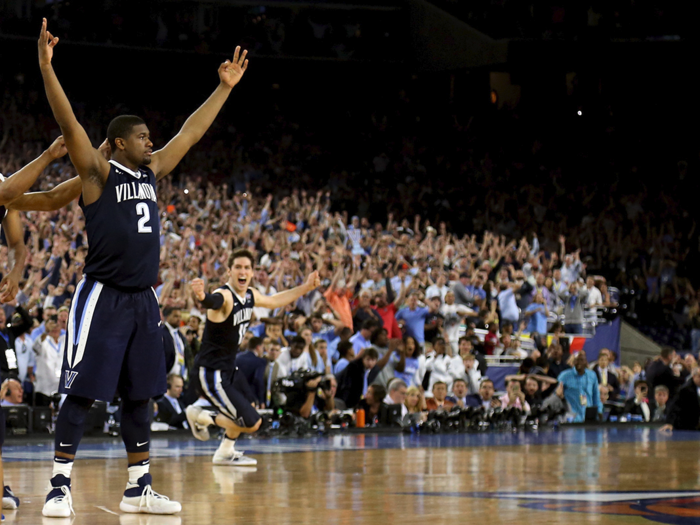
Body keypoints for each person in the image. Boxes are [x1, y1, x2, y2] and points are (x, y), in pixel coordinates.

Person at [38, 18, 249, 516]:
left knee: (140, 397)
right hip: (103, 295)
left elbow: (190, 133)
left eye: (150, 136)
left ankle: (138, 488)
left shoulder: (152, 171)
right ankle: (59, 486)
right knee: (82, 393)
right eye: (140, 136)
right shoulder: (96, 172)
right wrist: (48, 70)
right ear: (116, 143)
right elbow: (69, 124)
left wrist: (222, 89)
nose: (150, 141)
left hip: (143, 299)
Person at [188, 250, 318, 458]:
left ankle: (225, 452)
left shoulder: (250, 294)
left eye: (247, 267)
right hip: (211, 371)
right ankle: (200, 415)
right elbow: (214, 302)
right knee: (252, 423)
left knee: (242, 412)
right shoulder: (225, 295)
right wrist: (202, 296)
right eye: (238, 267)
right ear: (229, 271)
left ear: (252, 272)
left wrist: (306, 287)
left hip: (229, 369)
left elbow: (274, 300)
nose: (242, 271)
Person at [557, 352, 602, 422]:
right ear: (574, 362)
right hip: (571, 417)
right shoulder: (564, 376)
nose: (579, 362)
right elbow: (556, 393)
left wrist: (599, 411)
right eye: (577, 360)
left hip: (588, 417)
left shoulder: (592, 375)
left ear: (586, 362)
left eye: (581, 360)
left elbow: (596, 396)